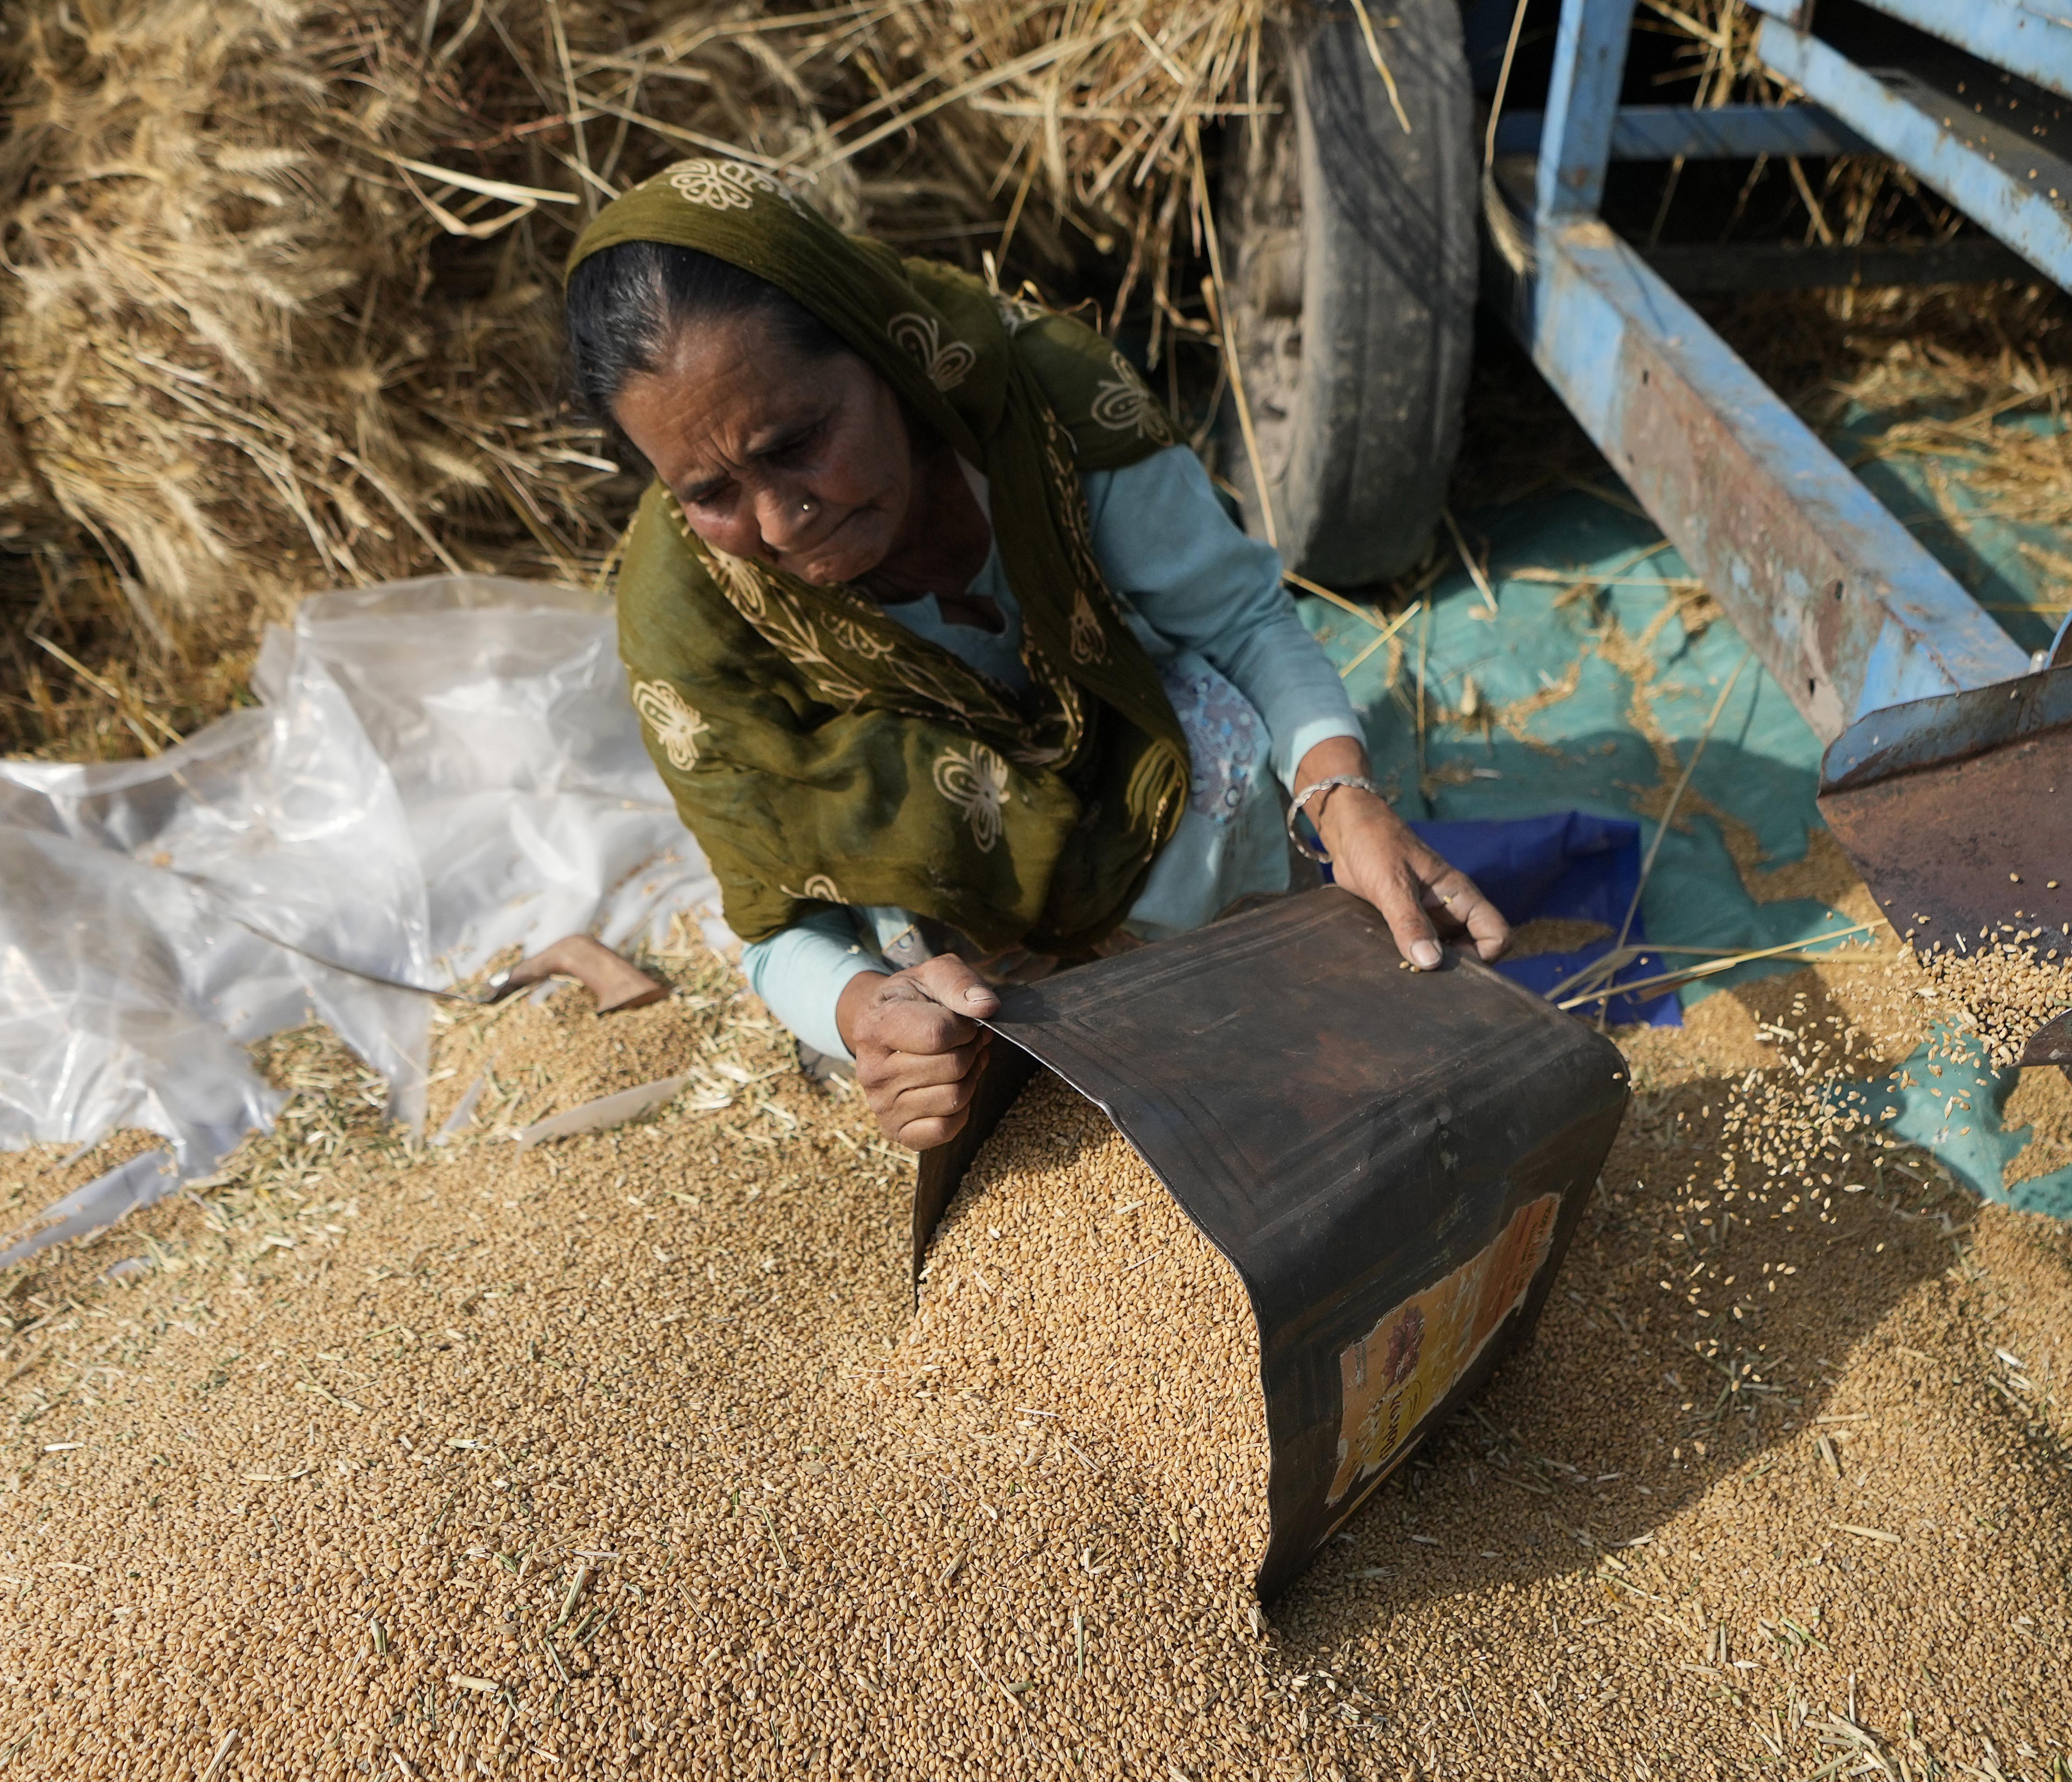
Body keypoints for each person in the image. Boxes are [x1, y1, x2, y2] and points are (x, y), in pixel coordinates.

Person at [562, 159, 1507, 1151]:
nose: (782, 518)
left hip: (1127, 776)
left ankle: (1223, 965)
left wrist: (1341, 797)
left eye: (799, 441)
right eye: (711, 493)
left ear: (883, 348)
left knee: (1223, 738)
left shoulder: (1041, 402)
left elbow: (1243, 624)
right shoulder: (687, 610)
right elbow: (773, 926)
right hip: (945, 906)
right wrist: (864, 1016)